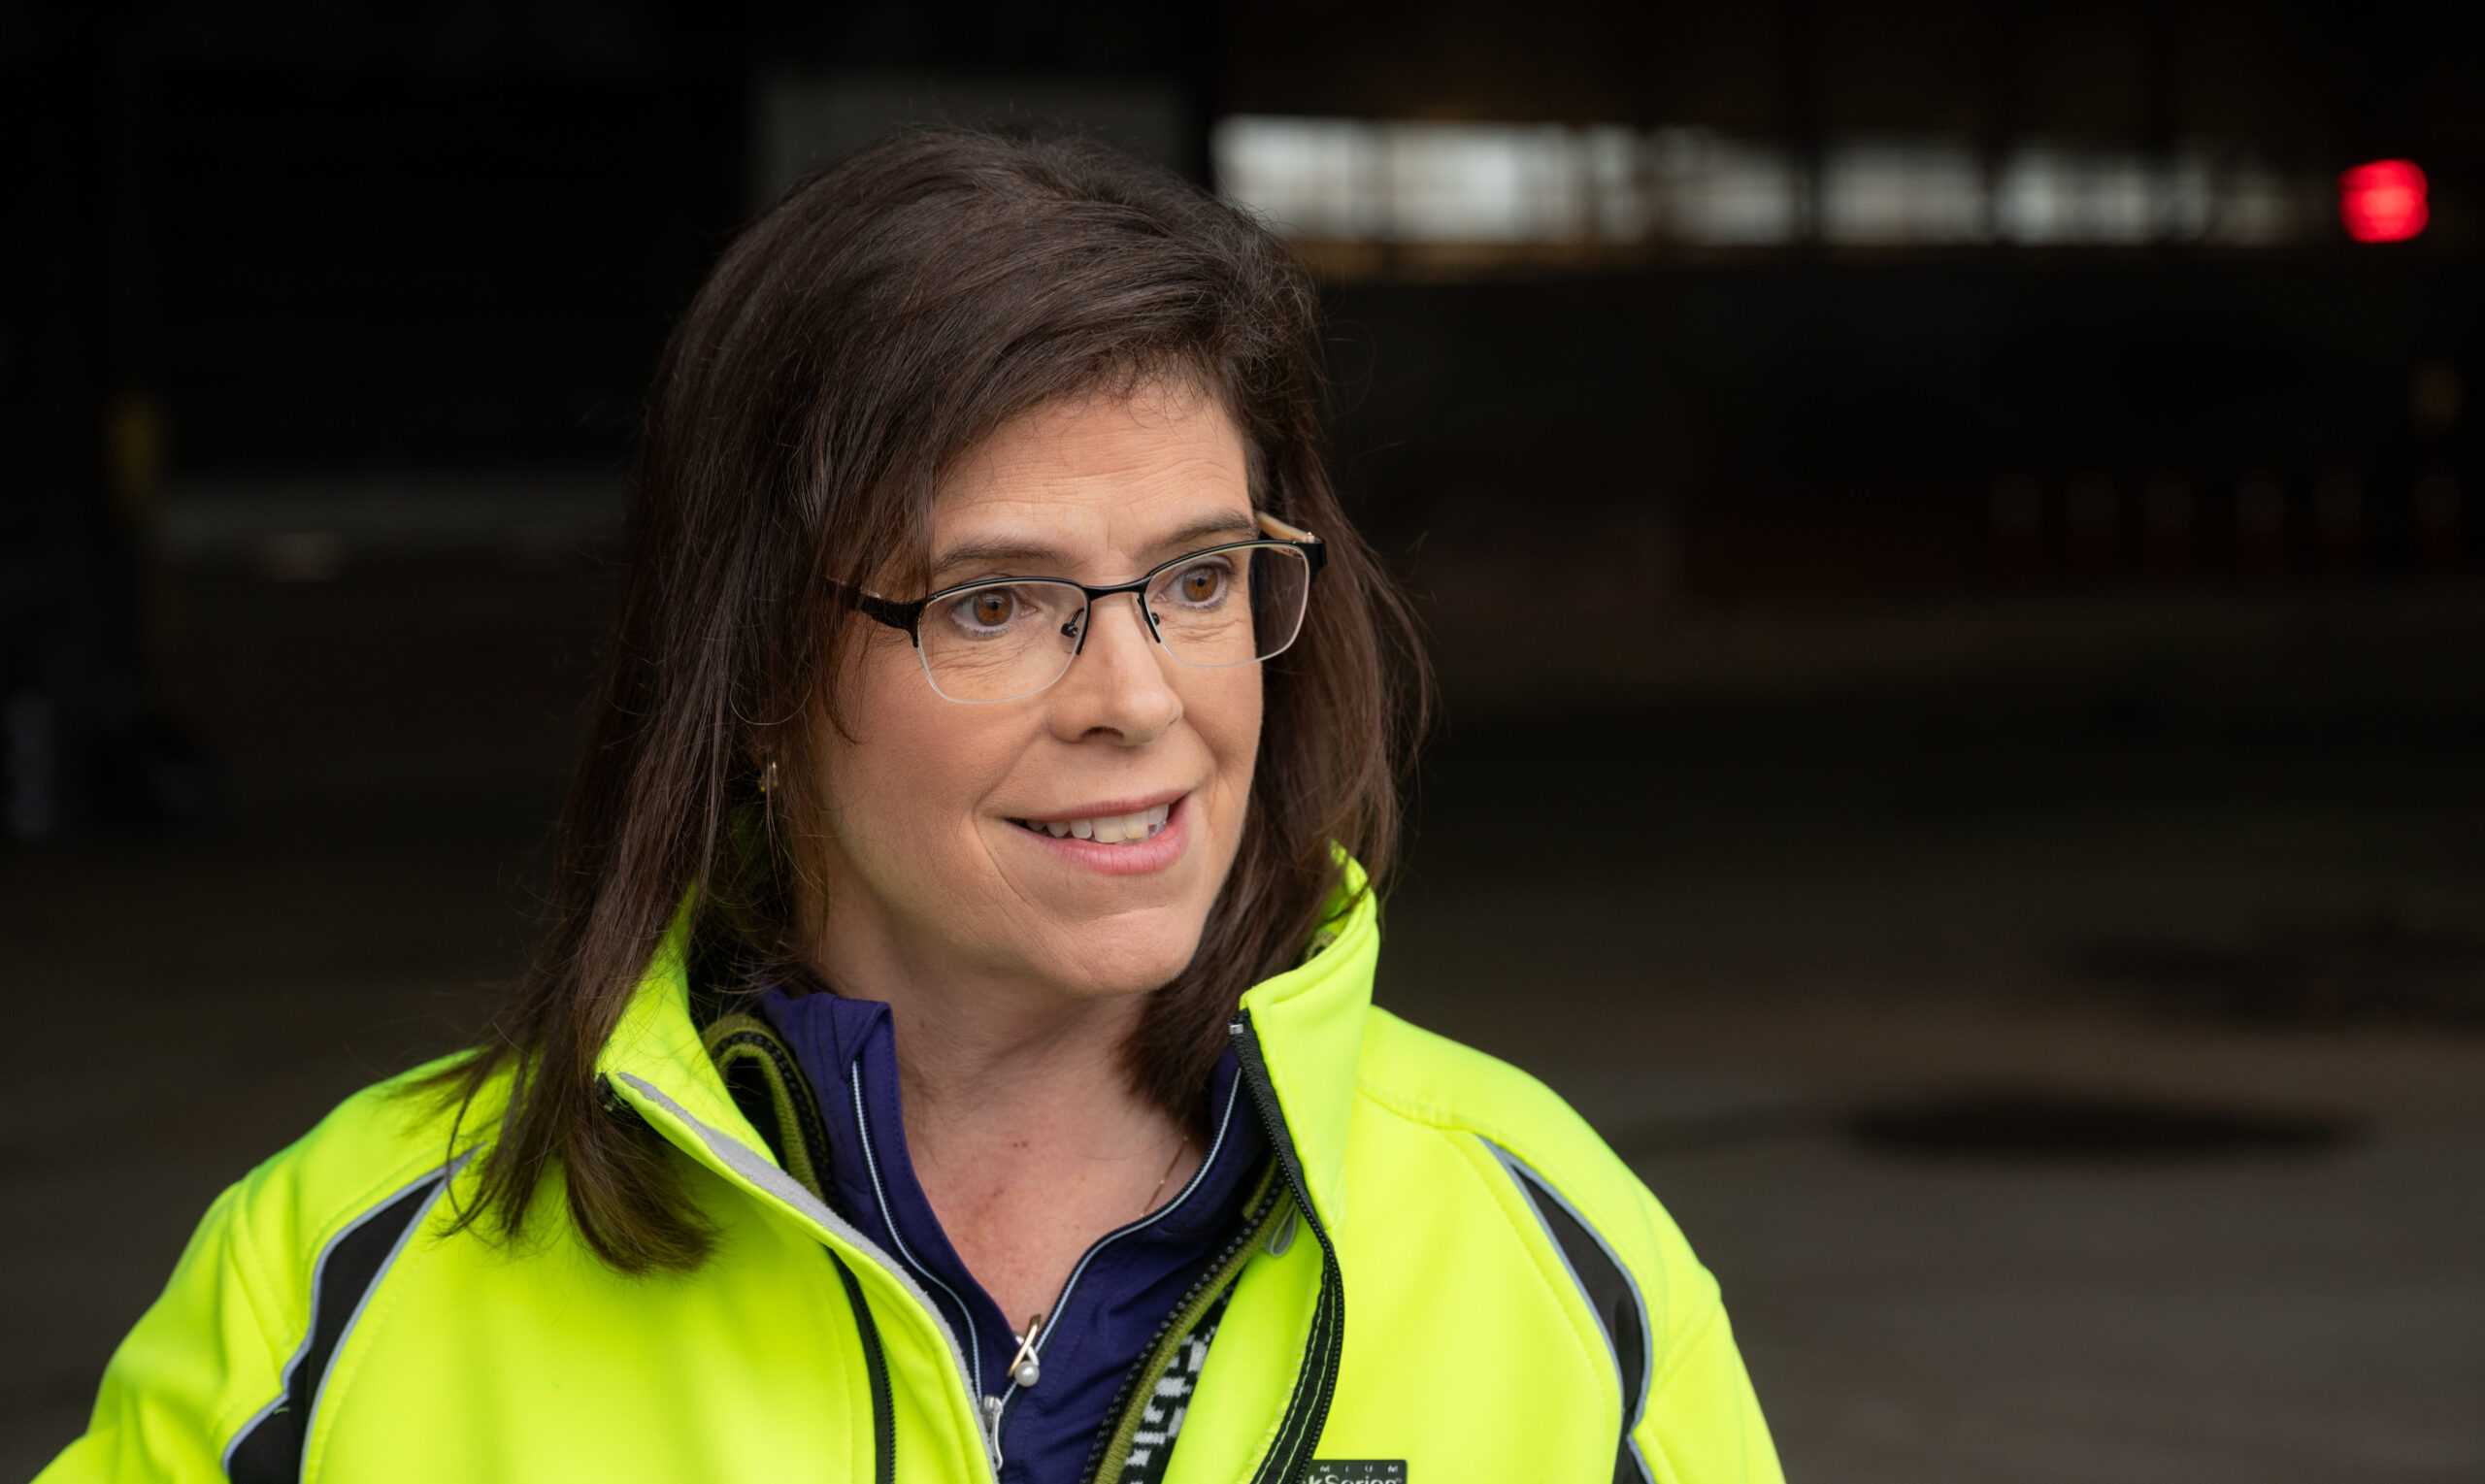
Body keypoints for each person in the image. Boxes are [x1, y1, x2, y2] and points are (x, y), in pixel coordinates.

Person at [39, 130, 1780, 1484]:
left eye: (1195, 576)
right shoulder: (351, 1263)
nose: (1141, 697)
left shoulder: (1550, 1248)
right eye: (993, 603)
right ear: (757, 684)